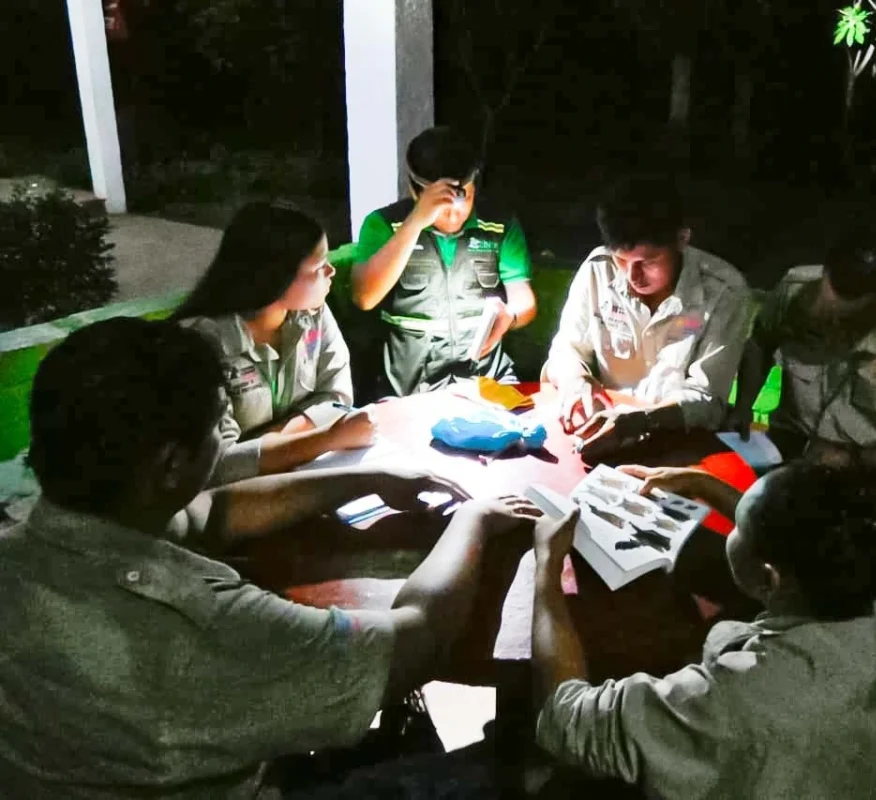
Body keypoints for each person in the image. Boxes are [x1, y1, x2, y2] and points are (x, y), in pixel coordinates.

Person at [0, 317, 541, 797]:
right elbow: (414, 641)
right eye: (217, 429)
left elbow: (212, 511)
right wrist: (474, 520)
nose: (223, 444)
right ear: (170, 466)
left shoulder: (27, 545)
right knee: (519, 764)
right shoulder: (203, 622)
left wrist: (364, 478)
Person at [531, 463, 876, 799]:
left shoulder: (740, 694)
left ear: (770, 578)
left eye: (740, 526)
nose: (732, 524)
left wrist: (547, 568)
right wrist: (704, 483)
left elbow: (568, 718)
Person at [542, 175, 753, 459]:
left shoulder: (724, 292)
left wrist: (642, 421)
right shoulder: (598, 270)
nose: (633, 276)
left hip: (678, 441)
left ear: (682, 239)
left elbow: (707, 399)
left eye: (648, 262)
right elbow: (566, 349)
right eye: (621, 260)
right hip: (599, 427)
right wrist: (576, 380)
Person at [730, 230, 876, 476]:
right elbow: (760, 342)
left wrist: (853, 460)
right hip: (786, 444)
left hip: (869, 467)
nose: (832, 329)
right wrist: (743, 406)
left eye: (846, 320)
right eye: (824, 319)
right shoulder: (796, 289)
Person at [175, 202, 379, 486]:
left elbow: (336, 394)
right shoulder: (200, 344)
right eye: (319, 266)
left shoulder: (312, 314)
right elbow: (218, 465)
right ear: (276, 277)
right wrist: (326, 438)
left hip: (294, 473)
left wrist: (276, 445)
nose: (331, 271)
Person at [351, 126, 537, 398]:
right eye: (441, 205)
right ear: (416, 191)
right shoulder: (384, 225)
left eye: (465, 198)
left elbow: (523, 298)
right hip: (409, 388)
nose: (454, 215)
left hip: (487, 380)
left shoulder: (499, 224)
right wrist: (416, 222)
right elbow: (364, 297)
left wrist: (510, 317)